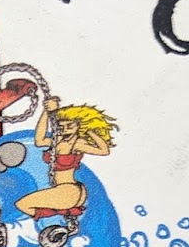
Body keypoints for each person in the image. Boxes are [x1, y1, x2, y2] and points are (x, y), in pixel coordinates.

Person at [15, 94, 116, 224]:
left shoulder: (76, 143)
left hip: (68, 190)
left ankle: (63, 213)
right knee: (24, 205)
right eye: (61, 126)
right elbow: (39, 141)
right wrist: (47, 111)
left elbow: (104, 150)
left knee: (22, 204)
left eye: (70, 126)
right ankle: (66, 213)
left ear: (78, 126)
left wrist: (90, 132)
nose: (65, 130)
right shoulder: (58, 141)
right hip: (71, 191)